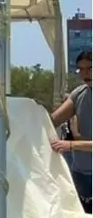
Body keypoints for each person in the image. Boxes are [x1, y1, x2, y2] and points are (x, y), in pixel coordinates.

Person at [53, 50, 93, 213]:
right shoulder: (79, 93)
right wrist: (34, 112)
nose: (85, 73)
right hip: (81, 173)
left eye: (89, 68)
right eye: (81, 69)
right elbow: (53, 120)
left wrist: (69, 145)